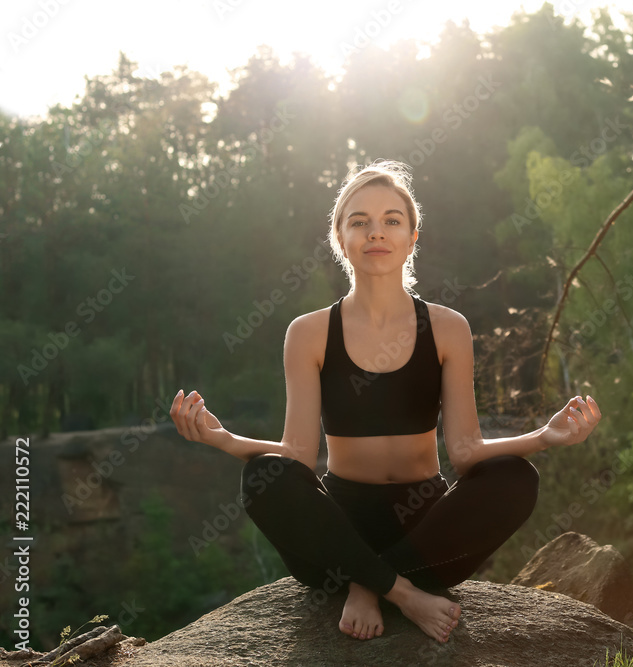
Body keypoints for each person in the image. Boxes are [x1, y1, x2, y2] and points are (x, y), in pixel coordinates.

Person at [169, 159, 602, 644]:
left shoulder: (447, 327)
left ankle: (369, 582)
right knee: (264, 475)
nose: (376, 232)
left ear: (413, 236)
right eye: (360, 222)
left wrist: (545, 436)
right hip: (338, 529)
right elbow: (295, 456)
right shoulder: (308, 333)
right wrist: (222, 438)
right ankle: (401, 591)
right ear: (340, 238)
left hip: (427, 531)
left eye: (392, 221)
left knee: (517, 476)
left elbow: (463, 453)